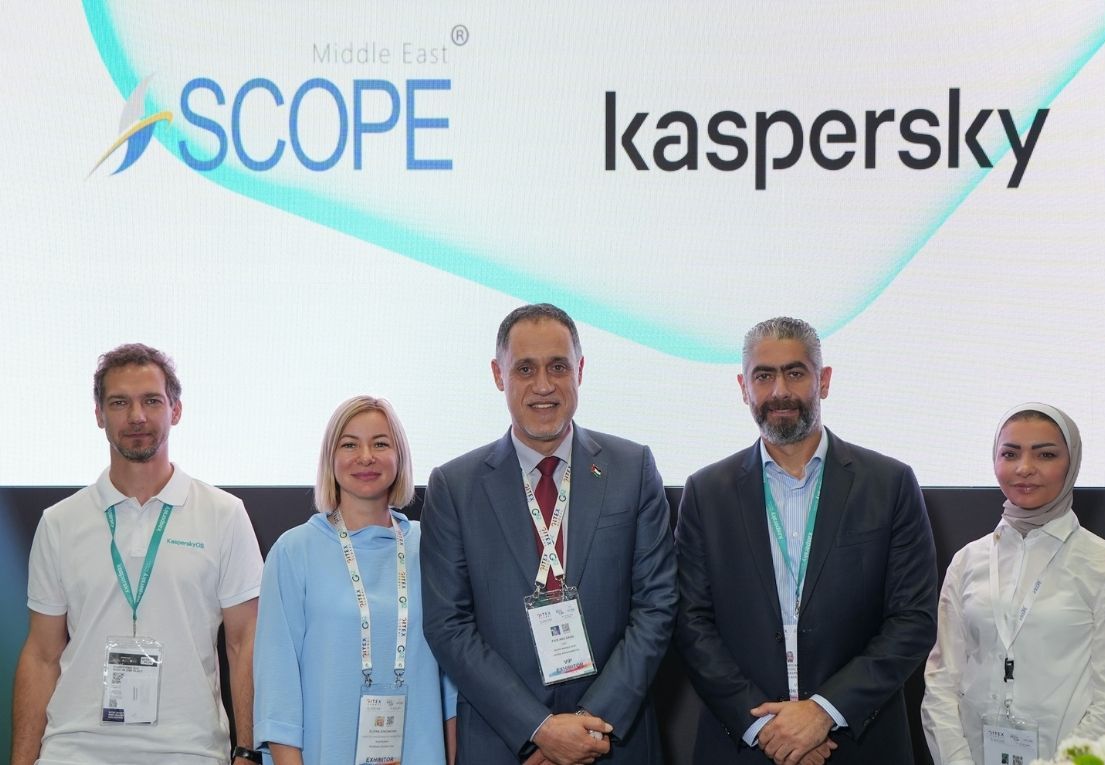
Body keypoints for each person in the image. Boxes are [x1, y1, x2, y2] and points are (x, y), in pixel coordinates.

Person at [674, 316, 938, 765]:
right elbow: (691, 621)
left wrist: (823, 712)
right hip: (745, 745)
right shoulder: (706, 492)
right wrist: (766, 728)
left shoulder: (889, 483)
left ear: (824, 380)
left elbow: (913, 619)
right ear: (743, 387)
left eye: (795, 373)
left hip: (858, 744)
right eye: (764, 376)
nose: (780, 391)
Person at [421, 303, 677, 765]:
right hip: (506, 746)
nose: (543, 385)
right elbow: (448, 624)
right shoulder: (454, 486)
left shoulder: (632, 468)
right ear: (498, 375)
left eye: (558, 366)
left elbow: (656, 606)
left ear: (580, 370)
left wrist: (589, 724)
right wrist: (537, 729)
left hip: (613, 742)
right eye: (525, 369)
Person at [13, 343, 262, 765]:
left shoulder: (224, 514)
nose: (137, 416)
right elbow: (41, 655)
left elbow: (244, 643)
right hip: (74, 750)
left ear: (175, 410)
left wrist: (248, 750)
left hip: (189, 751)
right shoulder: (60, 522)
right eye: (119, 403)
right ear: (99, 415)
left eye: (151, 401)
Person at [922, 403, 1105, 764]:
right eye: (1010, 454)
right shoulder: (967, 561)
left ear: (1071, 463)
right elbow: (941, 682)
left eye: (1045, 454)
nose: (1024, 467)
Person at [254, 395, 457, 764]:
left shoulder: (430, 546)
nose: (365, 457)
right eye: (349, 444)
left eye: (380, 444)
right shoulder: (294, 551)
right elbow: (277, 689)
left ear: (400, 456)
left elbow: (452, 685)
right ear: (330, 458)